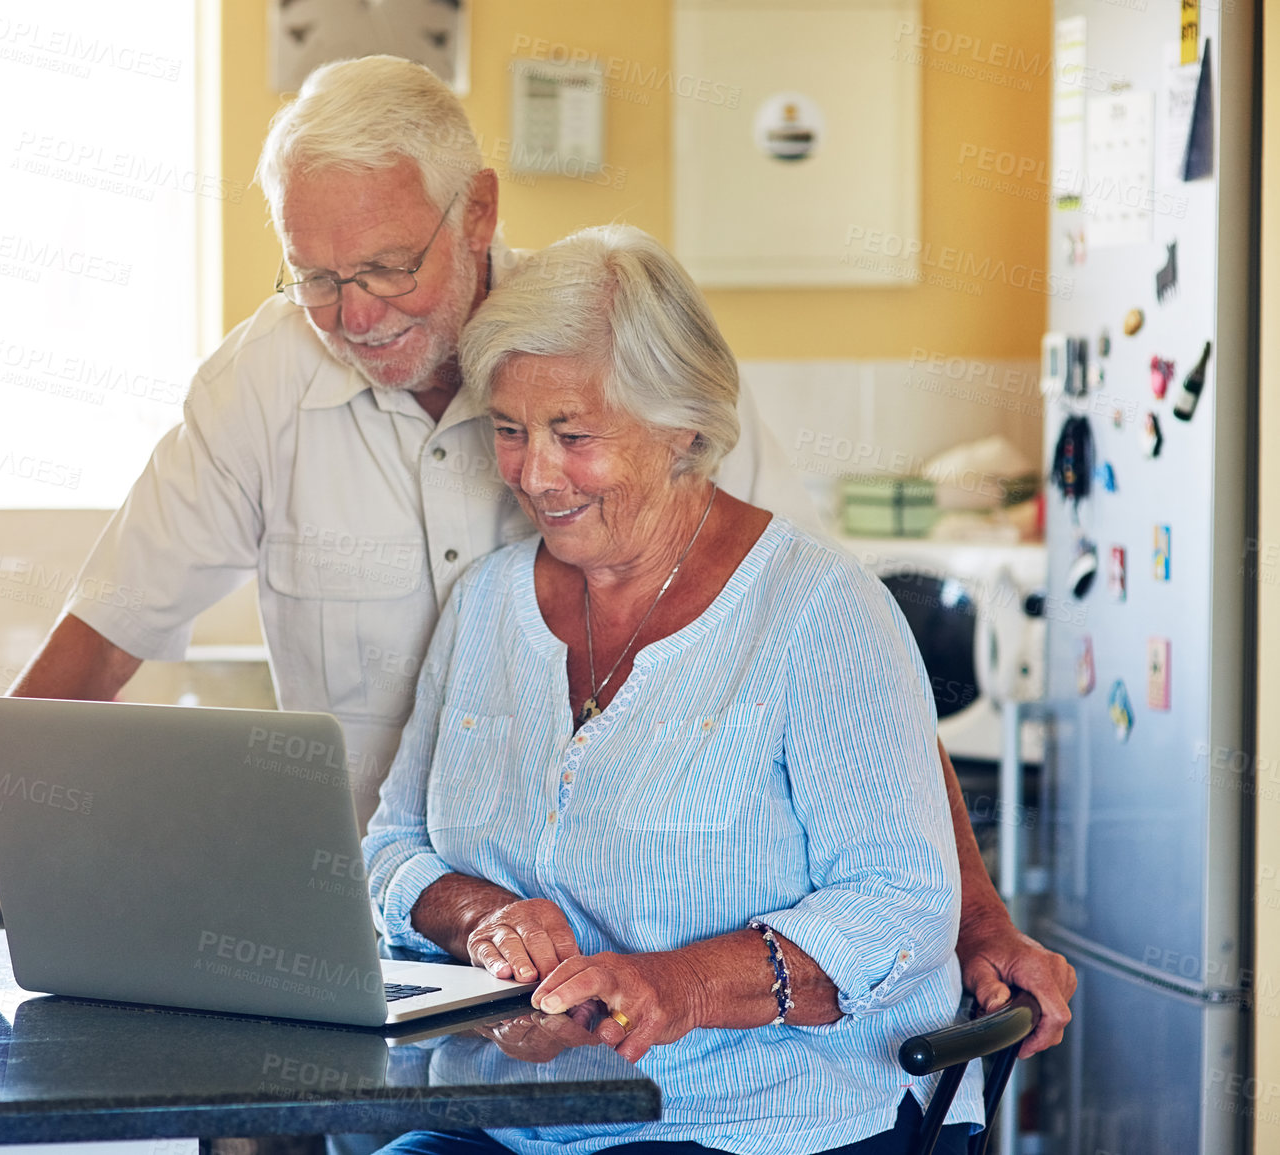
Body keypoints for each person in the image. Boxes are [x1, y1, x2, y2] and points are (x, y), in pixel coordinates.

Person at [0, 57, 1074, 1062]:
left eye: (385, 266)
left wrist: (961, 915)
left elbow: (840, 668)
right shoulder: (262, 386)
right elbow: (93, 644)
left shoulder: (619, 363)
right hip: (396, 948)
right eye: (312, 279)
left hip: (694, 994)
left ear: (476, 210)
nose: (353, 314)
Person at [365, 225, 979, 1155]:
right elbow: (390, 848)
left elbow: (898, 903)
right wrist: (480, 914)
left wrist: (676, 984)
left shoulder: (819, 612)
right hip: (507, 1122)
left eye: (573, 435)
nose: (534, 474)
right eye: (508, 431)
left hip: (755, 1123)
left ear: (684, 425)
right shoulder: (484, 605)